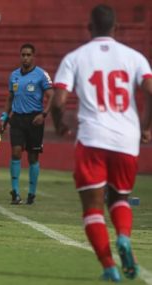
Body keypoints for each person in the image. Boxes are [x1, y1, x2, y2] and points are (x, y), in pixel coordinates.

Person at [51, 4, 152, 282]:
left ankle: (109, 267)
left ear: (89, 27)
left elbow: (58, 100)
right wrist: (146, 127)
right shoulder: (135, 57)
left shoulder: (75, 57)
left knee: (93, 207)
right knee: (120, 198)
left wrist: (60, 125)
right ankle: (124, 238)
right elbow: (150, 90)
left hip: (93, 138)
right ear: (116, 28)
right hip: (126, 140)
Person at [0, 43, 54, 205]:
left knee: (33, 157)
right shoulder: (14, 76)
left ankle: (32, 192)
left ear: (33, 56)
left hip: (34, 120)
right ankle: (15, 192)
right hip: (17, 119)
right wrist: (4, 118)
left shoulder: (41, 75)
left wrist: (43, 115)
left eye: (28, 55)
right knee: (16, 152)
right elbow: (10, 98)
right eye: (23, 55)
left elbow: (52, 95)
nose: (25, 58)